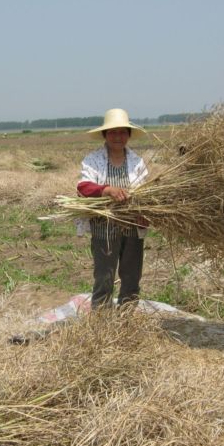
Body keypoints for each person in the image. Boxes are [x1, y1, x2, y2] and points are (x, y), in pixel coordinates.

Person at [77, 108, 149, 310]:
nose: (118, 137)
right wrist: (107, 190)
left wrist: (144, 214)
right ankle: (101, 319)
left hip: (132, 227)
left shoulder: (137, 162)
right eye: (113, 132)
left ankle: (127, 317)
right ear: (105, 135)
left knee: (132, 275)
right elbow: (83, 187)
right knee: (104, 276)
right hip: (104, 228)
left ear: (128, 135)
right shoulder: (93, 160)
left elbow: (145, 195)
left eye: (122, 132)